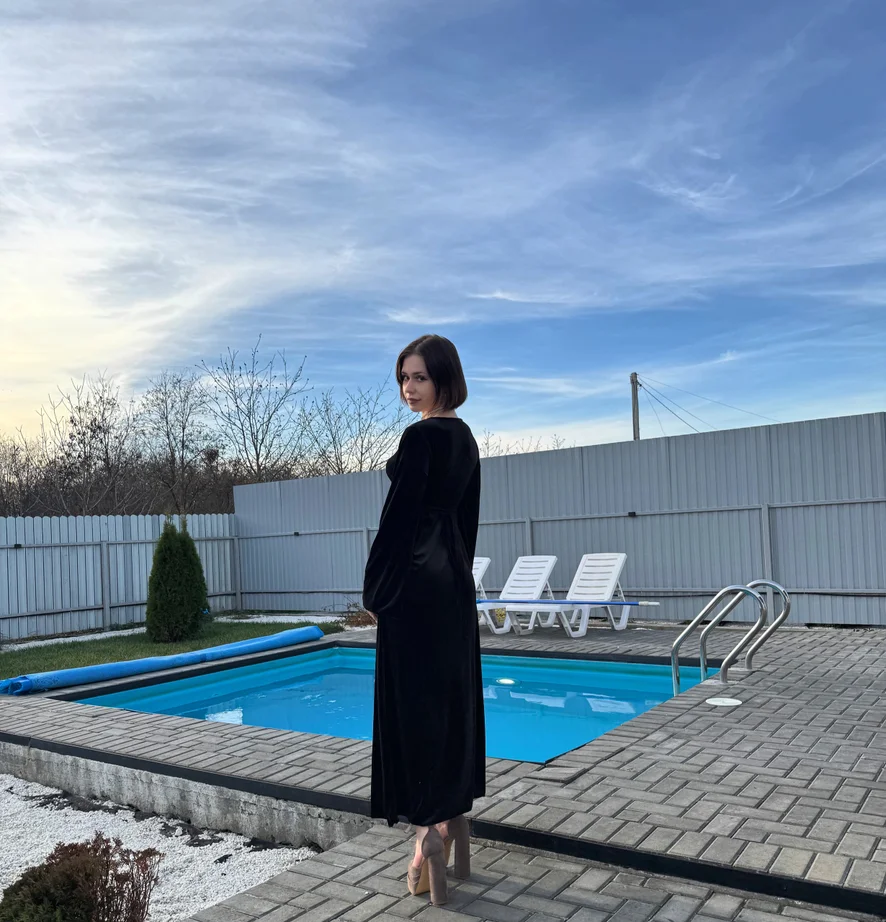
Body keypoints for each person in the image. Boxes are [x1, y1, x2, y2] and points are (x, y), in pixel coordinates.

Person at [363, 334, 485, 907]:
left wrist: (376, 592)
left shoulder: (421, 438)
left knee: (411, 707)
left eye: (419, 377)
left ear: (443, 379)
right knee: (449, 700)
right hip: (453, 585)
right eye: (403, 378)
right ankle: (452, 817)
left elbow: (397, 523)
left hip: (414, 587)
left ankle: (426, 833)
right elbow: (468, 521)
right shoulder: (466, 437)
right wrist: (459, 576)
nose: (409, 388)